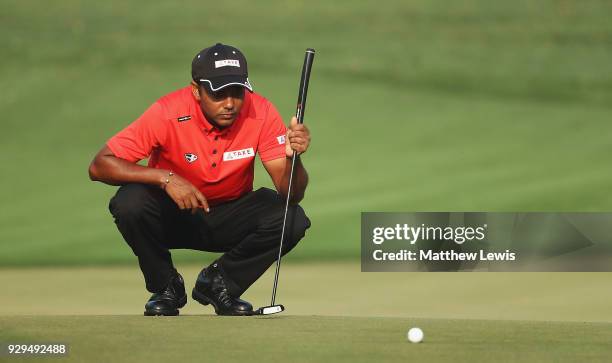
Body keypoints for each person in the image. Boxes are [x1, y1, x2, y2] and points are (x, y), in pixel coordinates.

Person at [88, 43, 311, 316]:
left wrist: (293, 158)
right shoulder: (167, 112)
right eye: (218, 94)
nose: (229, 103)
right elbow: (99, 165)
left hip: (230, 215)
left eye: (237, 92)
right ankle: (166, 286)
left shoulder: (261, 111)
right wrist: (165, 178)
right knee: (129, 201)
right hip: (175, 215)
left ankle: (219, 284)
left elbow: (291, 193)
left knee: (292, 218)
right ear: (196, 90)